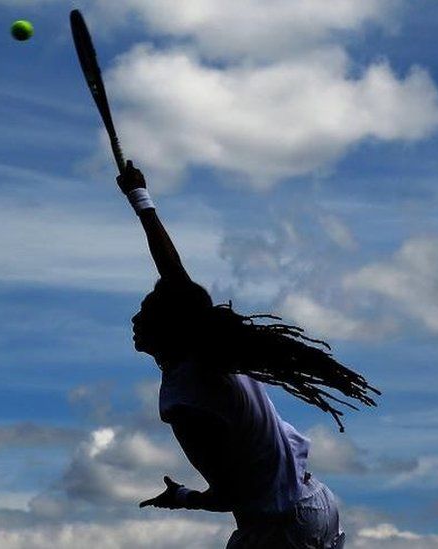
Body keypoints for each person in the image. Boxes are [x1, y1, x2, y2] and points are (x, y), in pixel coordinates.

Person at [116, 161, 378, 549]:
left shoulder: (186, 400)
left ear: (171, 330)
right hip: (316, 505)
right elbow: (176, 276)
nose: (136, 318)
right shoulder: (213, 355)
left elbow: (230, 495)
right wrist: (140, 198)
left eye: (148, 312)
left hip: (280, 527)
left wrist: (184, 499)